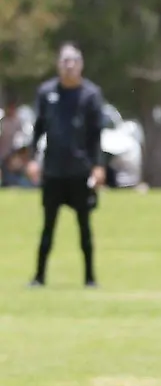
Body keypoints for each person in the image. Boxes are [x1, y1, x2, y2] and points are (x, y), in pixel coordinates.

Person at [29, 42, 106, 288]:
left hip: (80, 171)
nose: (69, 66)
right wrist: (32, 160)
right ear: (58, 64)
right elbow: (37, 129)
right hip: (53, 171)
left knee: (84, 226)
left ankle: (90, 278)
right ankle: (39, 277)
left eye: (73, 61)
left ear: (81, 64)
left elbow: (96, 134)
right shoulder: (47, 93)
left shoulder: (91, 95)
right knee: (48, 226)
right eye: (65, 61)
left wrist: (98, 166)